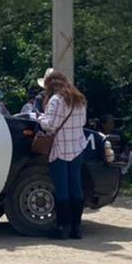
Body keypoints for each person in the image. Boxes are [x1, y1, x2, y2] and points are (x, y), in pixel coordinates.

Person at [34, 69, 88, 240]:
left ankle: (63, 227)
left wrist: (39, 118)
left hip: (60, 148)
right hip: (77, 147)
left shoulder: (56, 100)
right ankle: (76, 228)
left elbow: (50, 125)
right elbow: (83, 122)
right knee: (76, 187)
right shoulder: (79, 98)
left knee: (62, 189)